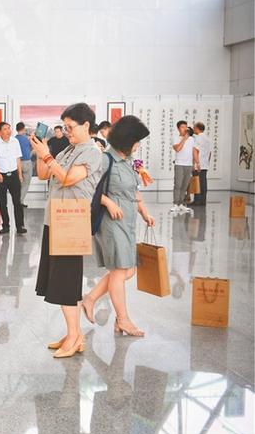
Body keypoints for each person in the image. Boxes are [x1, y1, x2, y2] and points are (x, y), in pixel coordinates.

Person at [30, 103, 103, 359]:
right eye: (65, 127)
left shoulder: (92, 152)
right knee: (60, 280)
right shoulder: (68, 149)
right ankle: (74, 334)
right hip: (56, 219)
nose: (67, 131)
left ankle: (74, 336)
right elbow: (44, 175)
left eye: (71, 127)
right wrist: (41, 152)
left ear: (86, 125)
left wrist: (49, 157)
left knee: (66, 282)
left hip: (71, 222)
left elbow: (68, 178)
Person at [81, 116, 155, 337]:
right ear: (126, 140)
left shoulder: (129, 161)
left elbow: (133, 190)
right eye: (136, 141)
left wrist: (144, 212)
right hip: (111, 222)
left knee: (127, 270)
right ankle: (123, 320)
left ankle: (90, 298)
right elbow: (88, 188)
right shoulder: (105, 160)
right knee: (120, 271)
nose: (138, 145)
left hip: (128, 220)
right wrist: (108, 202)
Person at [0, 121, 26, 235]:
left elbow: (18, 159)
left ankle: (20, 226)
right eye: (5, 129)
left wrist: (20, 174)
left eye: (9, 128)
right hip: (1, 176)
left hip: (14, 175)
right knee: (2, 203)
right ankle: (5, 226)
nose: (8, 131)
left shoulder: (15, 141)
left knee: (17, 202)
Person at [171, 120, 197, 214]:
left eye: (186, 127)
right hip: (179, 164)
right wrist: (184, 139)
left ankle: (181, 203)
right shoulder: (175, 138)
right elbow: (177, 149)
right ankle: (175, 204)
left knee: (185, 185)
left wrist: (196, 163)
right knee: (178, 184)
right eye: (182, 127)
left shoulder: (192, 139)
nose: (185, 129)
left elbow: (194, 151)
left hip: (189, 165)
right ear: (178, 129)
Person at [191, 122, 211, 206]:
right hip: (205, 164)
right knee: (203, 183)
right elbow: (210, 153)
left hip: (198, 164)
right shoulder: (207, 138)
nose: (193, 129)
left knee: (197, 183)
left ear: (197, 128)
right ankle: (203, 201)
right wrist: (207, 162)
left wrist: (197, 163)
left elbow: (195, 151)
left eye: (194, 128)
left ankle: (197, 201)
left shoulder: (198, 138)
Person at [15, 122, 33, 207]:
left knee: (18, 184)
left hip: (16, 163)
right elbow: (33, 147)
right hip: (26, 163)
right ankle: (20, 202)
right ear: (23, 129)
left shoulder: (14, 139)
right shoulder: (26, 139)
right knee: (25, 184)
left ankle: (17, 201)